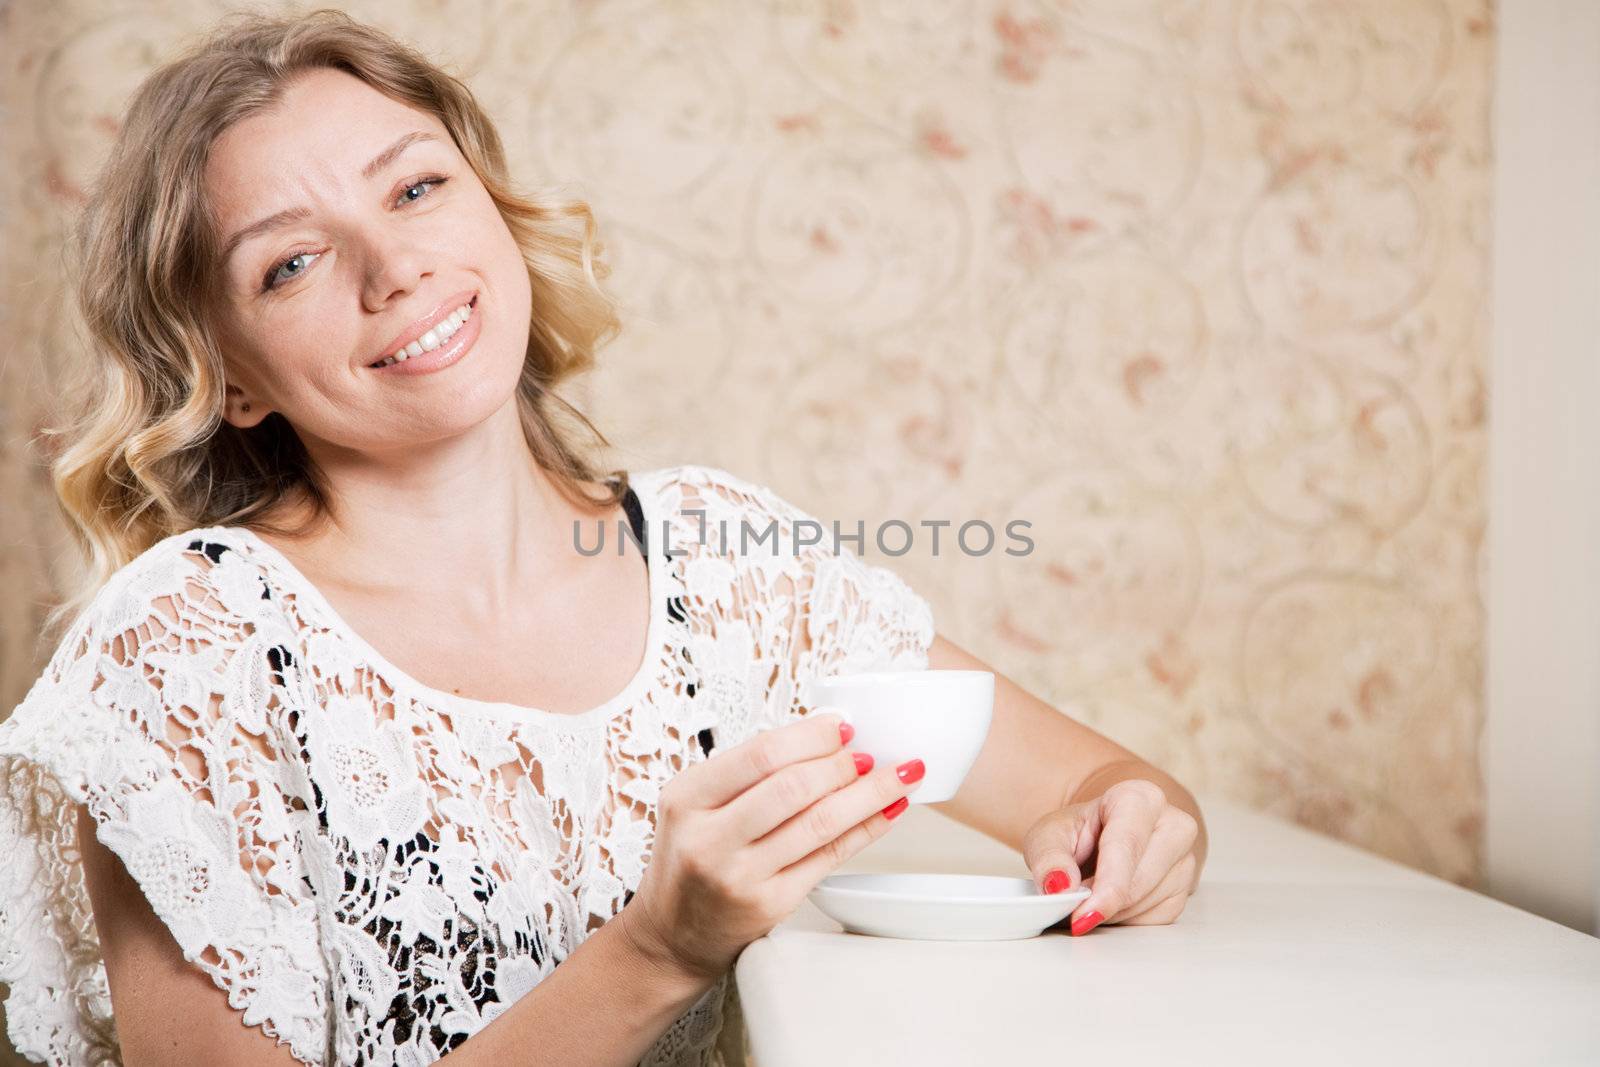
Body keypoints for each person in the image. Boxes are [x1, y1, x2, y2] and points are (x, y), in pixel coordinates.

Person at [0, 9, 1207, 1067]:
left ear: (494, 210)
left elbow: (1102, 787)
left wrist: (1128, 830)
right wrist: (659, 950)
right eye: (293, 262)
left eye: (416, 187)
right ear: (230, 379)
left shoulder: (728, 560)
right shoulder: (179, 659)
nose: (395, 267)